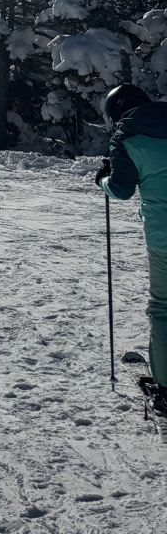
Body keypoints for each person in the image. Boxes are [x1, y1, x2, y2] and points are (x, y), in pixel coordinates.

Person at [97, 83, 167, 410]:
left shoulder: (125, 136)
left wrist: (103, 180)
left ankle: (165, 390)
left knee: (164, 308)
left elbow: (122, 189)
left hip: (164, 236)